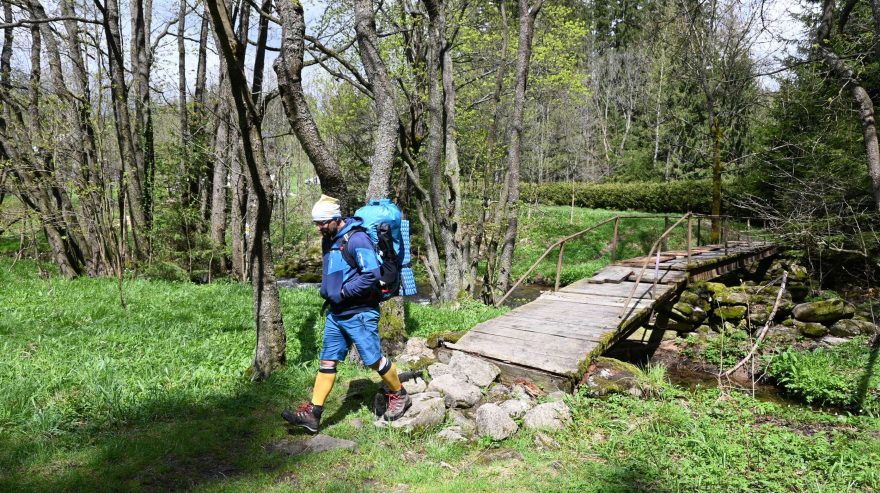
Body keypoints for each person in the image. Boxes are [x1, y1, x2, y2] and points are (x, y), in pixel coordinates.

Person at [282, 195, 411, 433]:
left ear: (336, 218)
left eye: (323, 222)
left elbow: (370, 274)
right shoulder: (330, 239)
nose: (319, 227)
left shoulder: (357, 239)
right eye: (317, 223)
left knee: (373, 360)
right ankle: (314, 413)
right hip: (337, 312)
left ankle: (399, 394)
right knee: (327, 361)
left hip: (360, 312)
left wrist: (342, 291)